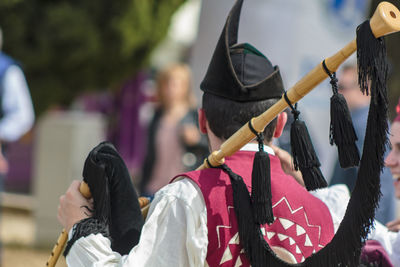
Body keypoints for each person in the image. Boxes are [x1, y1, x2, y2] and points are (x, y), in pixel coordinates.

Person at [57, 0, 396, 266]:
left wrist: (80, 229)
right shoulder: (329, 211)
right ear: (280, 124)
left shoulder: (186, 200)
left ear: (202, 121)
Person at [329, 63, 396, 225]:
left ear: (365, 88)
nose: (337, 93)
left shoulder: (364, 124)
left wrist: (367, 234)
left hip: (364, 231)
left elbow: (376, 184)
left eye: (344, 87)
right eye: (336, 87)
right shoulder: (364, 121)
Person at [140, 63, 208, 197]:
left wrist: (197, 140)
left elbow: (212, 150)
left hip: (181, 191)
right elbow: (149, 156)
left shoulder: (195, 115)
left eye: (175, 84)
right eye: (166, 84)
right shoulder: (157, 116)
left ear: (185, 86)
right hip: (154, 189)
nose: (170, 89)